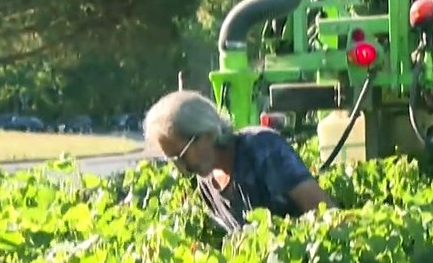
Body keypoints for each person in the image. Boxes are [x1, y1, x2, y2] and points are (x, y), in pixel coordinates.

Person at [143, 91, 335, 229]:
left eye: (182, 155)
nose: (182, 168)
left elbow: (326, 213)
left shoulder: (262, 149)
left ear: (207, 134)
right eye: (173, 160)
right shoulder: (206, 184)